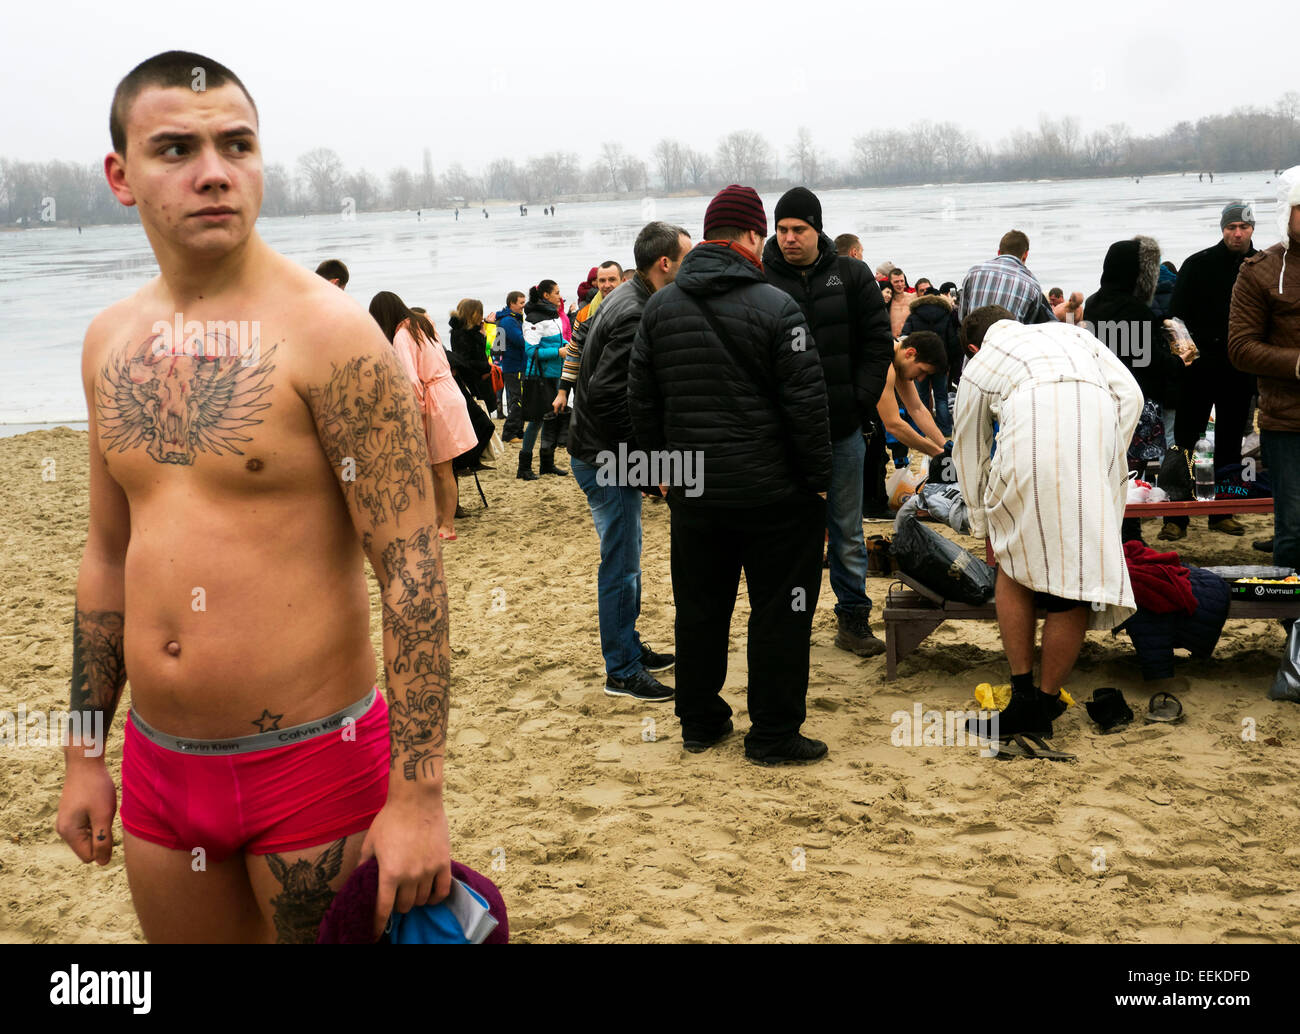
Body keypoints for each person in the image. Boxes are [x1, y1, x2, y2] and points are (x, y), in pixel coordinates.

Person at [59, 50, 452, 944]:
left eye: (237, 144)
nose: (213, 172)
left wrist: (419, 796)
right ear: (121, 176)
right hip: (160, 771)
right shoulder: (108, 341)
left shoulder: (332, 337)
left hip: (318, 765)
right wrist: (86, 752)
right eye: (176, 149)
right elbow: (107, 556)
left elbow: (413, 571)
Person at [627, 185, 832, 765]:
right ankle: (772, 733)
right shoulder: (777, 307)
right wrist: (818, 481)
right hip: (775, 496)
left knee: (700, 607)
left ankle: (700, 720)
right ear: (750, 236)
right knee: (781, 611)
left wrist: (658, 471)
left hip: (695, 493)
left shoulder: (659, 307)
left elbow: (641, 400)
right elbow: (806, 407)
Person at [954, 307, 1142, 739]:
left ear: (973, 346)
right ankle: (1044, 699)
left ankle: (1022, 697)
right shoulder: (1073, 334)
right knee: (1074, 578)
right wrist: (1107, 454)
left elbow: (968, 445)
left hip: (1028, 449)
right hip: (1094, 440)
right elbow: (1131, 396)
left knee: (1013, 564)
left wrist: (982, 520)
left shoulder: (982, 361)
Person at [762, 187, 894, 657]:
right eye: (782, 230)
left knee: (847, 531)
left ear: (817, 228)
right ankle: (786, 620)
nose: (790, 238)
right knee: (785, 534)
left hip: (842, 427)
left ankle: (853, 621)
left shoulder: (852, 274)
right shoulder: (761, 278)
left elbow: (878, 343)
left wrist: (859, 401)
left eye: (799, 229)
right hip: (778, 436)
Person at [568, 223, 691, 702]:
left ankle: (630, 647)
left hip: (602, 451)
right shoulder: (635, 310)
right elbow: (606, 397)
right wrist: (649, 465)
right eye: (688, 256)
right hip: (605, 458)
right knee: (620, 565)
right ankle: (620, 670)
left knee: (629, 559)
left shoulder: (627, 295)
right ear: (666, 263)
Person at [1163, 201, 1261, 541]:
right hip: (1199, 370)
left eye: (1243, 227)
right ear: (1222, 229)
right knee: (1184, 442)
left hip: (1240, 370)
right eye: (1231, 227)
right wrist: (1185, 359)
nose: (1237, 233)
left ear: (1252, 229)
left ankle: (1223, 513)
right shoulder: (1197, 264)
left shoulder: (1261, 265)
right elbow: (1174, 319)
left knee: (1231, 445)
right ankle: (1176, 516)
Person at [1084, 237, 1192, 542]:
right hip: (1137, 401)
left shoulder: (1092, 304)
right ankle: (1130, 533)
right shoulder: (1137, 310)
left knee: (1107, 468)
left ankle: (1111, 530)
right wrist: (1179, 361)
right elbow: (1149, 362)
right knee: (1133, 473)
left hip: (1101, 397)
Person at [1228, 167, 1300, 613]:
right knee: (1293, 530)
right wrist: (1297, 362)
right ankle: (1295, 640)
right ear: (1286, 213)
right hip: (1288, 423)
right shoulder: (1260, 271)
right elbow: (1239, 347)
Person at [371, 292, 477, 541]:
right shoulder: (424, 324)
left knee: (440, 468)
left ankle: (447, 525)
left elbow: (409, 378)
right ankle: (441, 520)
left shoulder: (401, 335)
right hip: (449, 392)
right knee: (440, 467)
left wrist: (415, 410)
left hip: (435, 400)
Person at [555, 260, 622, 410]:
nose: (606, 285)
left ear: (622, 281)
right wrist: (562, 392)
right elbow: (573, 352)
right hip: (591, 386)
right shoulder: (585, 314)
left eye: (612, 280)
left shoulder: (633, 307)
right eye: (602, 280)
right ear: (596, 283)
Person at [520, 280, 569, 478]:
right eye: (557, 292)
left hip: (555, 373)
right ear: (546, 296)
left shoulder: (553, 314)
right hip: (538, 377)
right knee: (536, 421)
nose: (560, 296)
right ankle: (524, 467)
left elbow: (557, 340)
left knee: (552, 418)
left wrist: (569, 344)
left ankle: (547, 464)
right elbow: (531, 351)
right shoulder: (533, 318)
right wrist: (559, 351)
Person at [959, 229, 1057, 324]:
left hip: (973, 338)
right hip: (1008, 339)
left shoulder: (974, 272)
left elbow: (962, 318)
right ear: (1025, 255)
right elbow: (1028, 325)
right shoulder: (1033, 285)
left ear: (999, 252)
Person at [901, 289, 960, 436]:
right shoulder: (945, 315)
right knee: (941, 396)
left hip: (918, 363)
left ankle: (920, 430)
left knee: (921, 397)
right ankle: (945, 429)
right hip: (940, 363)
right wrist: (949, 363)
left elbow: (905, 337)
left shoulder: (914, 315)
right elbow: (952, 341)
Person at [447, 299, 496, 413]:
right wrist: (486, 367)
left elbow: (482, 351)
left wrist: (482, 335)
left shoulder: (471, 330)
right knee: (479, 414)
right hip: (474, 380)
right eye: (480, 313)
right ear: (474, 314)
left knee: (484, 413)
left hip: (479, 378)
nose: (482, 316)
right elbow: (464, 360)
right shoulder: (462, 333)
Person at [492, 291, 528, 443]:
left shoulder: (514, 319)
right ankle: (509, 433)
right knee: (517, 400)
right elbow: (520, 340)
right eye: (521, 303)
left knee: (521, 399)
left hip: (516, 365)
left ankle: (518, 431)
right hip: (513, 366)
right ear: (512, 303)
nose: (523, 306)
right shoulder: (508, 321)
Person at [887, 267, 913, 338]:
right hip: (892, 342)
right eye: (896, 282)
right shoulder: (887, 302)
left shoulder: (913, 298)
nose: (900, 284)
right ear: (890, 282)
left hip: (910, 340)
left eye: (902, 281)